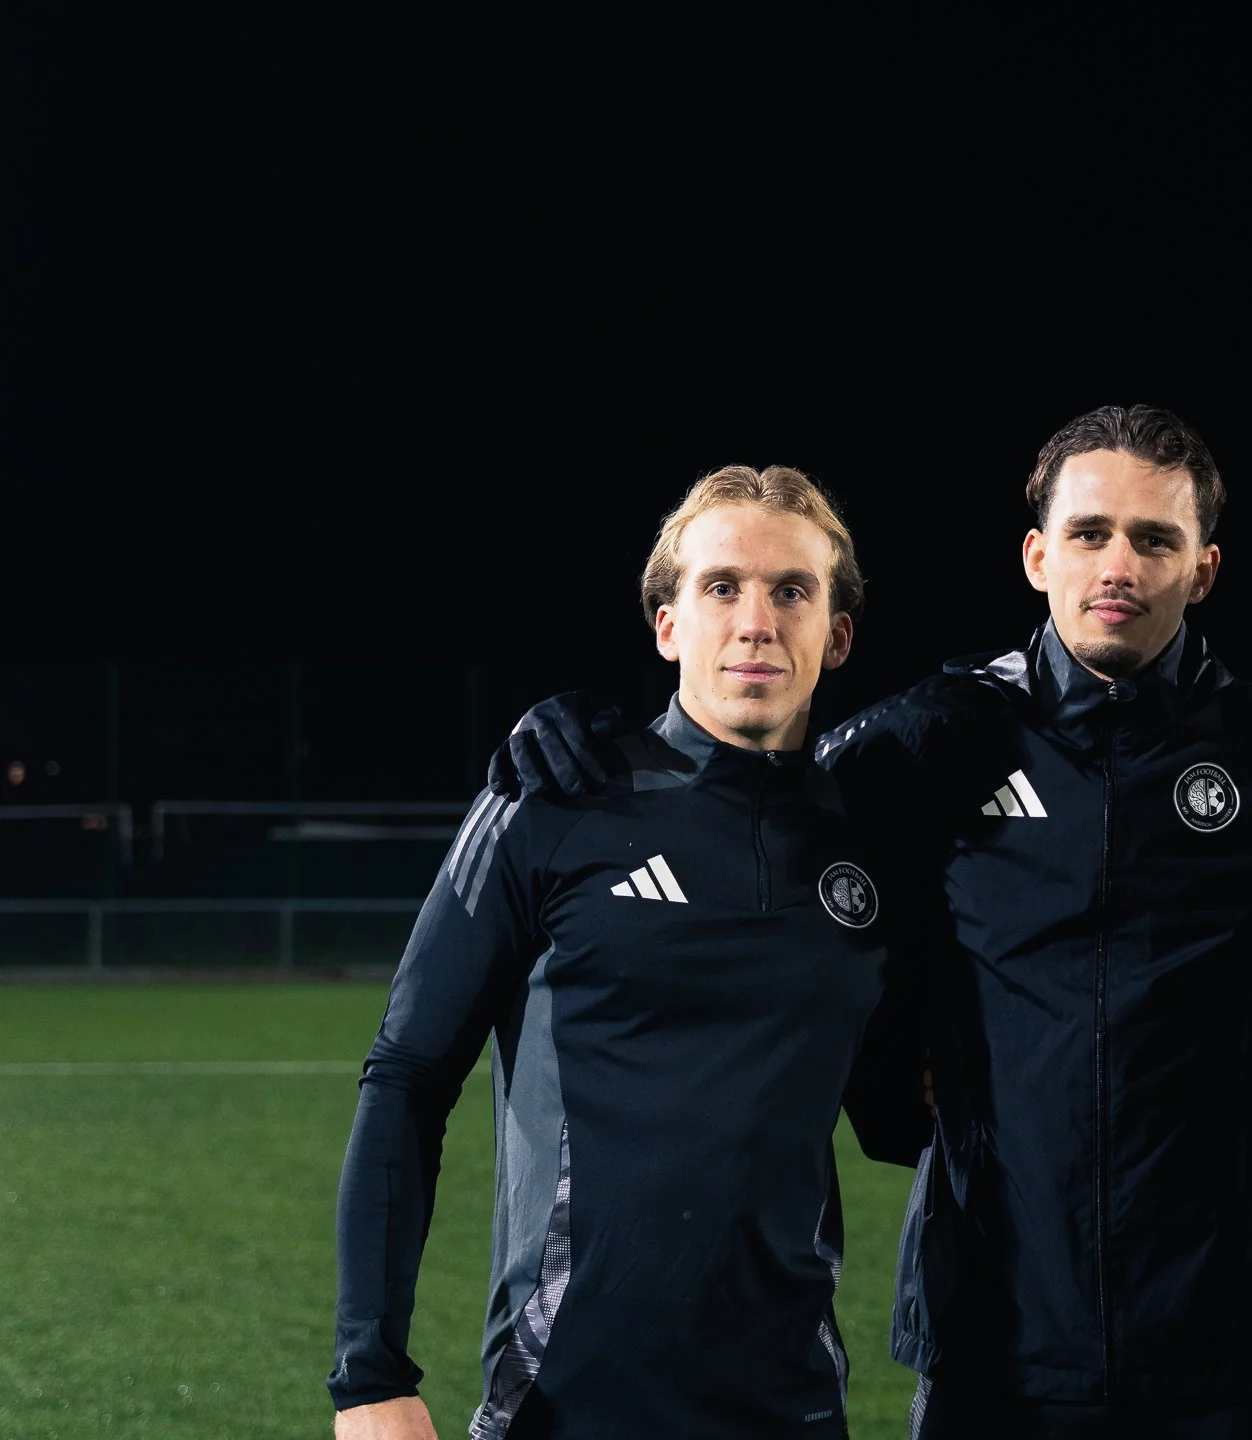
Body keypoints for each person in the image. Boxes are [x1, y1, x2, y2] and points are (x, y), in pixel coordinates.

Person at [493, 406, 1252, 1439]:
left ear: (1204, 568)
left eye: (1155, 538)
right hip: (996, 1332)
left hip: (1225, 1335)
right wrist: (601, 740)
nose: (1119, 561)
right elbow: (757, 806)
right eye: (1090, 533)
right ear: (1036, 554)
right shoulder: (930, 742)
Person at [328, 467, 926, 1439]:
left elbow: (897, 1111)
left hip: (795, 1409)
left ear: (839, 632)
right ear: (667, 624)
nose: (756, 620)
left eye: (792, 590)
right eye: (721, 587)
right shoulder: (552, 799)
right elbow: (405, 1077)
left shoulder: (873, 850)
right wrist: (369, 1376)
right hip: (562, 1405)